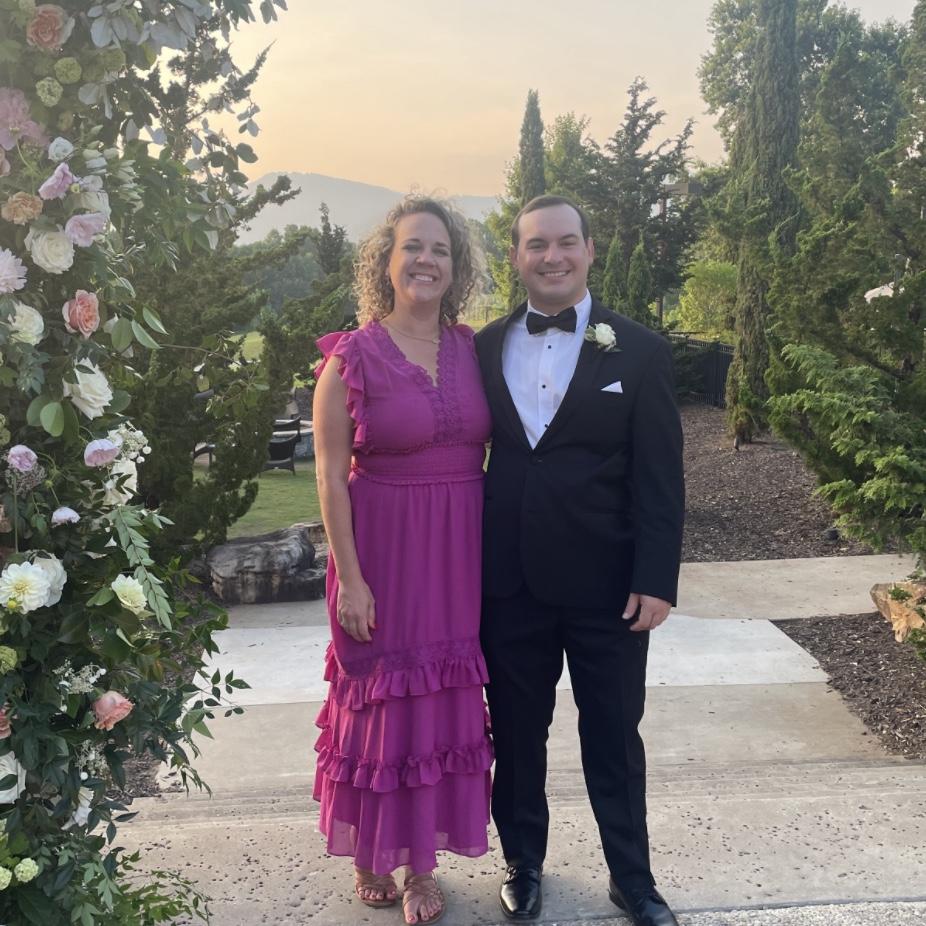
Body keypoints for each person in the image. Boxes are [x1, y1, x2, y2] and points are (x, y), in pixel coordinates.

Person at [475, 195, 685, 926]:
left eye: (567, 242)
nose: (552, 256)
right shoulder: (481, 346)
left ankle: (633, 878)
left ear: (590, 250)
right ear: (515, 256)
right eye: (536, 244)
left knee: (614, 737)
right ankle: (522, 864)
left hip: (610, 588)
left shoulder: (641, 351)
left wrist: (656, 579)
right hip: (509, 585)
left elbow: (661, 477)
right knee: (516, 734)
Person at [312, 195, 493, 925]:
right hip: (384, 556)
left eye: (441, 249)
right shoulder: (349, 359)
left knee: (442, 705)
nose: (426, 260)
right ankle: (370, 852)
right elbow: (329, 478)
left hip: (458, 559)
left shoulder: (473, 349)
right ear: (385, 262)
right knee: (382, 703)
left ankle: (422, 866)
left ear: (457, 267)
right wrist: (351, 580)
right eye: (412, 247)